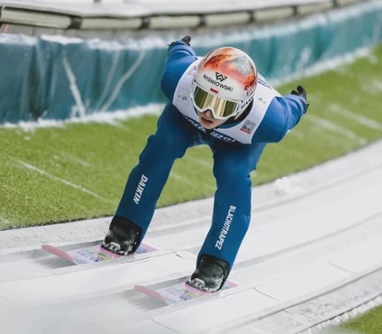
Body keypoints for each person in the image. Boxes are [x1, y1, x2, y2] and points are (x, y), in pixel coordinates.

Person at [101, 35, 309, 292]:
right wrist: (180, 44)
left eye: (221, 105)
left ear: (243, 103)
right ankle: (126, 226)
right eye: (202, 96)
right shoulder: (177, 79)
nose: (208, 113)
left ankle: (216, 261)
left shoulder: (270, 121)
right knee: (161, 147)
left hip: (239, 141)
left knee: (233, 175)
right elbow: (179, 54)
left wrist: (299, 100)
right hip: (184, 120)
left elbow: (291, 110)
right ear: (194, 84)